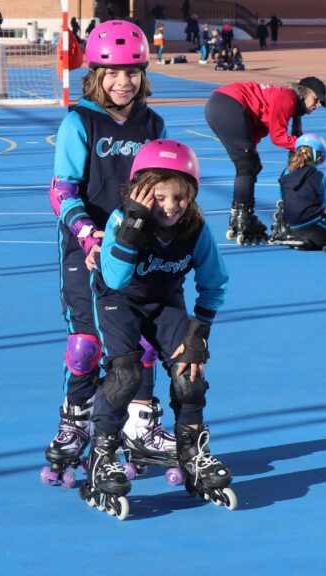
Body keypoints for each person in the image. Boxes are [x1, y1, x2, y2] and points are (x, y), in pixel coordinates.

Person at [43, 20, 175, 489]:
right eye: (113, 73)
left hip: (136, 249)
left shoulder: (153, 124)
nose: (124, 82)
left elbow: (161, 187)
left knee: (140, 342)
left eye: (133, 72)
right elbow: (62, 192)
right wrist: (89, 235)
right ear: (95, 74)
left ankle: (138, 424)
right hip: (87, 249)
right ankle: (75, 423)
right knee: (87, 344)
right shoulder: (79, 121)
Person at [81, 139, 234, 518]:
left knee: (189, 372)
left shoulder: (195, 228)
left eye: (180, 197)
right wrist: (133, 226)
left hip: (165, 300)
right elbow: (115, 280)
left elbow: (214, 282)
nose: (170, 206)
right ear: (138, 192)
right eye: (160, 196)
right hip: (119, 299)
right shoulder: (121, 220)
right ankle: (102, 455)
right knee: (125, 373)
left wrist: (200, 332)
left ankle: (192, 452)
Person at [204, 76, 326, 244]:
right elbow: (278, 137)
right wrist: (310, 146)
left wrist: (253, 153)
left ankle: (240, 213)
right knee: (246, 166)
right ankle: (243, 216)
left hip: (223, 105)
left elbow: (260, 132)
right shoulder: (287, 98)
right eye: (316, 99)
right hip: (228, 104)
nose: (317, 105)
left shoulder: (290, 104)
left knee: (252, 165)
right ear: (304, 92)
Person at [269, 134, 326, 250]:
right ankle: (314, 237)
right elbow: (322, 204)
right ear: (319, 158)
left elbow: (283, 198)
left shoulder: (285, 174)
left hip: (293, 226)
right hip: (313, 224)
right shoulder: (318, 176)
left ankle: (300, 236)